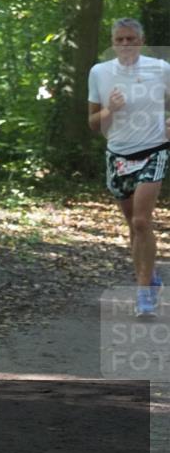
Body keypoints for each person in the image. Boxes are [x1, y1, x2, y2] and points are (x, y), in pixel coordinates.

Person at [88, 17, 169, 318]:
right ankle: (151, 278)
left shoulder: (160, 70)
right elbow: (94, 124)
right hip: (118, 156)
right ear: (113, 43)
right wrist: (111, 109)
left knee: (140, 222)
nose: (125, 45)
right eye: (120, 40)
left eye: (131, 39)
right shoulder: (99, 73)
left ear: (141, 40)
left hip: (154, 150)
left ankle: (143, 293)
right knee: (133, 226)